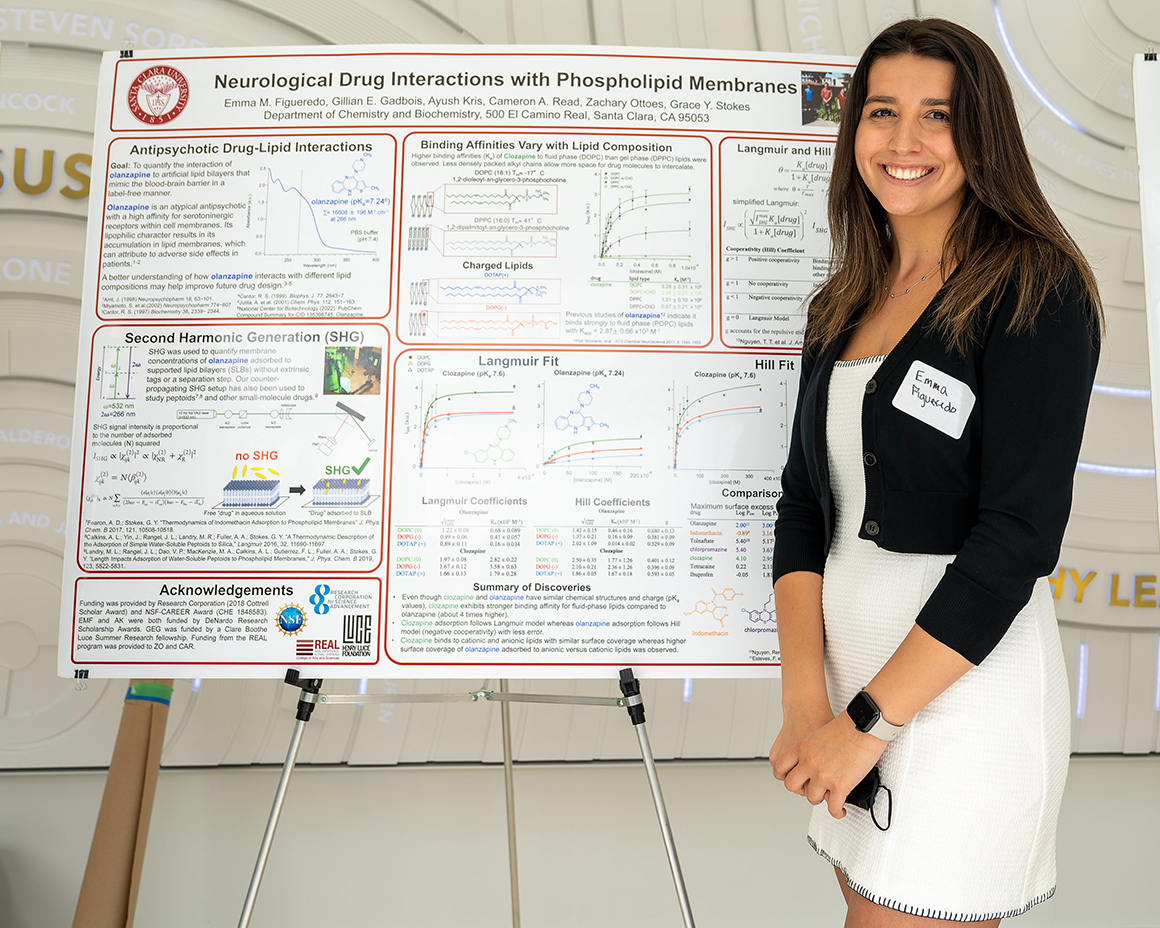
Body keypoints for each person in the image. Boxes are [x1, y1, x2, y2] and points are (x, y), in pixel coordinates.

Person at [769, 17, 1102, 927]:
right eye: (882, 112)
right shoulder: (844, 299)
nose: (903, 141)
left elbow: (1017, 540)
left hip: (960, 704)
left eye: (938, 115)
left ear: (982, 134)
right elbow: (803, 508)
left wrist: (868, 722)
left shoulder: (1034, 288)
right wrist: (807, 703)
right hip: (847, 701)